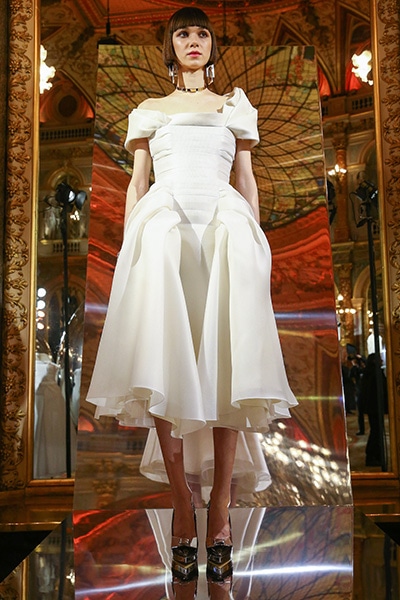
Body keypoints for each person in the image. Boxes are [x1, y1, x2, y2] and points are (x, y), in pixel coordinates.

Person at [86, 7, 297, 583]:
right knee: (166, 361)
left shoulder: (235, 108)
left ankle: (220, 506)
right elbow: (137, 182)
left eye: (202, 32)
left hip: (226, 228)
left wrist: (257, 245)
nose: (194, 40)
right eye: (183, 33)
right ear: (170, 45)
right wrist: (130, 248)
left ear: (212, 45)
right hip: (165, 227)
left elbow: (246, 180)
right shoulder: (149, 110)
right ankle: (183, 502)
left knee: (229, 364)